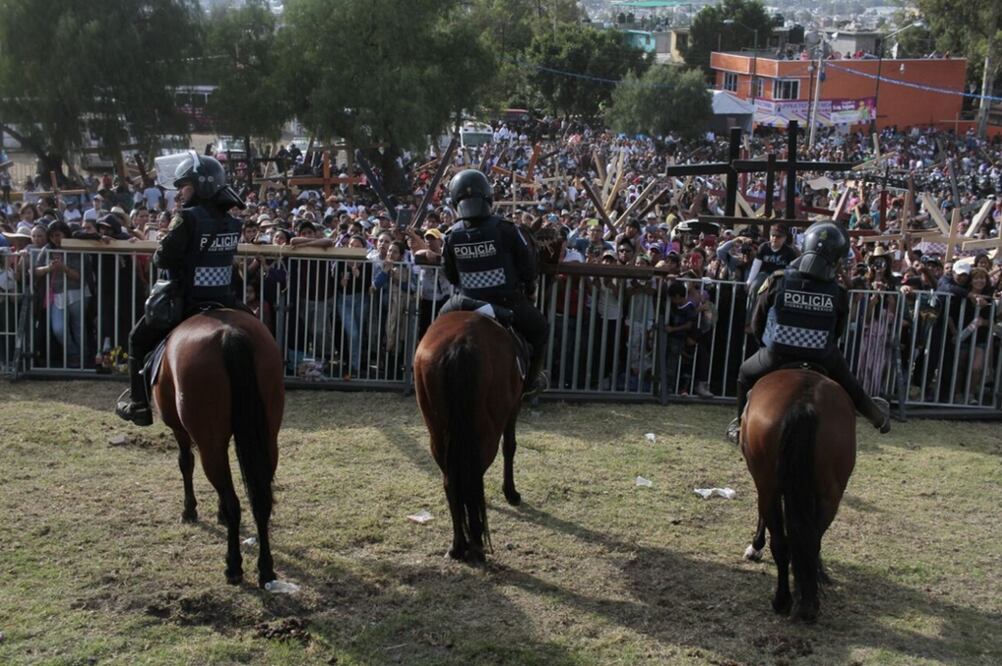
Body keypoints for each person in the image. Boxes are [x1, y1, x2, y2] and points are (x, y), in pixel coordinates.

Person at [725, 221, 891, 444]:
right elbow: (838, 332)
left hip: (776, 354)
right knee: (852, 387)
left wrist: (767, 344)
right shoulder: (838, 292)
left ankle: (739, 425)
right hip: (822, 355)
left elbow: (757, 323)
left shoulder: (777, 280)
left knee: (745, 374)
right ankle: (879, 418)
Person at [115, 151, 245, 426]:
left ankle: (139, 405)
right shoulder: (233, 221)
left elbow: (162, 257)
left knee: (137, 340)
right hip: (225, 300)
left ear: (200, 185)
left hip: (187, 301)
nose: (180, 193)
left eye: (184, 186)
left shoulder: (187, 218)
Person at [439, 169, 549, 396]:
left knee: (435, 333)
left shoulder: (451, 235)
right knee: (540, 330)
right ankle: (530, 382)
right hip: (508, 304)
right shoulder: (506, 229)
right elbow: (528, 269)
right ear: (487, 197)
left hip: (464, 303)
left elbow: (450, 275)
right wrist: (529, 289)